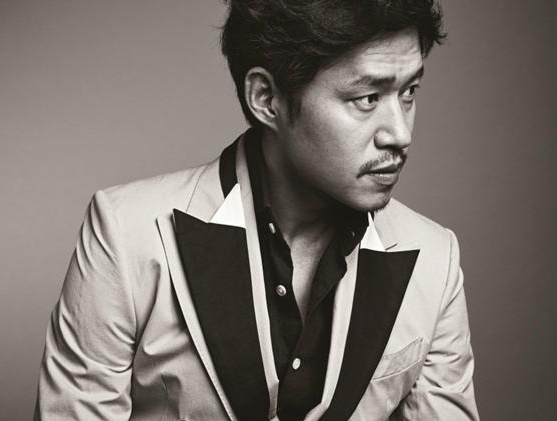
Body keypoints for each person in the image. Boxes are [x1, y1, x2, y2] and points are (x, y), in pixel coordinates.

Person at [34, 0, 479, 420]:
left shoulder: (435, 259)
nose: (400, 134)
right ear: (266, 98)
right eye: (367, 98)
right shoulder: (126, 233)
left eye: (409, 92)